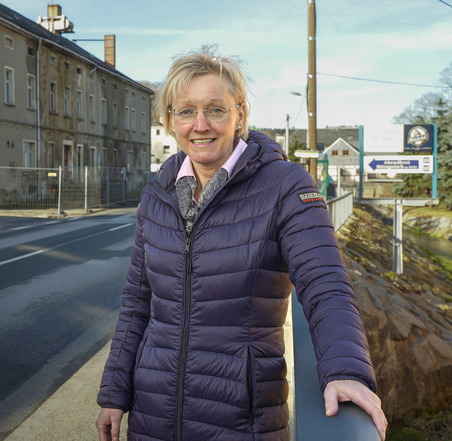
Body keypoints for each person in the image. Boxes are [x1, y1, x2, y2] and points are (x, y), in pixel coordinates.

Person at [95, 45, 387, 441]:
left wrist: (346, 372)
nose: (200, 124)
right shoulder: (157, 195)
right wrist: (114, 394)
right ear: (169, 120)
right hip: (153, 415)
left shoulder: (284, 185)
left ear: (240, 115)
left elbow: (326, 283)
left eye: (215, 109)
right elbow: (137, 303)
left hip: (241, 418)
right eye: (186, 111)